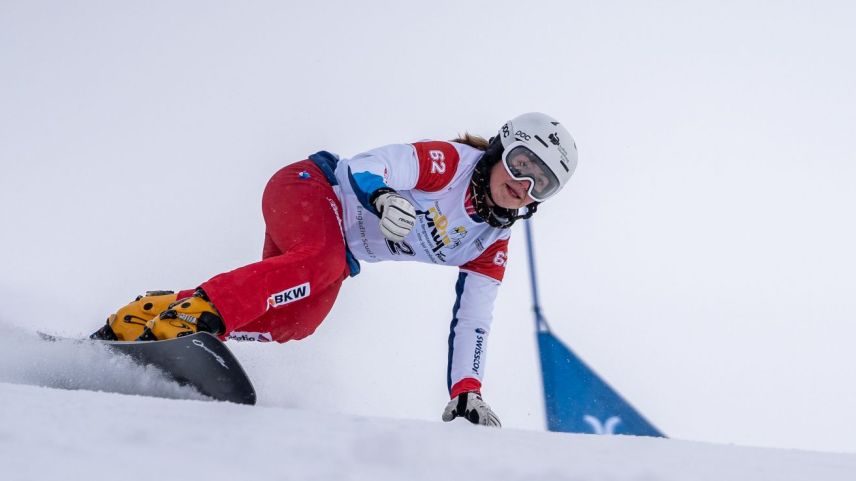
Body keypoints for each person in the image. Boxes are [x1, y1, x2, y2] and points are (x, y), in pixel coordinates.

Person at [90, 112, 578, 427]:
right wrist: (381, 195)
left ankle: (148, 317)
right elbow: (370, 165)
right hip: (308, 187)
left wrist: (467, 392)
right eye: (520, 164)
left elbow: (474, 319)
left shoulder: (490, 242)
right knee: (318, 262)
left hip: (334, 250)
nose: (522, 184)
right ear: (499, 148)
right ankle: (195, 316)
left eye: (542, 183)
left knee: (299, 322)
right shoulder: (450, 164)